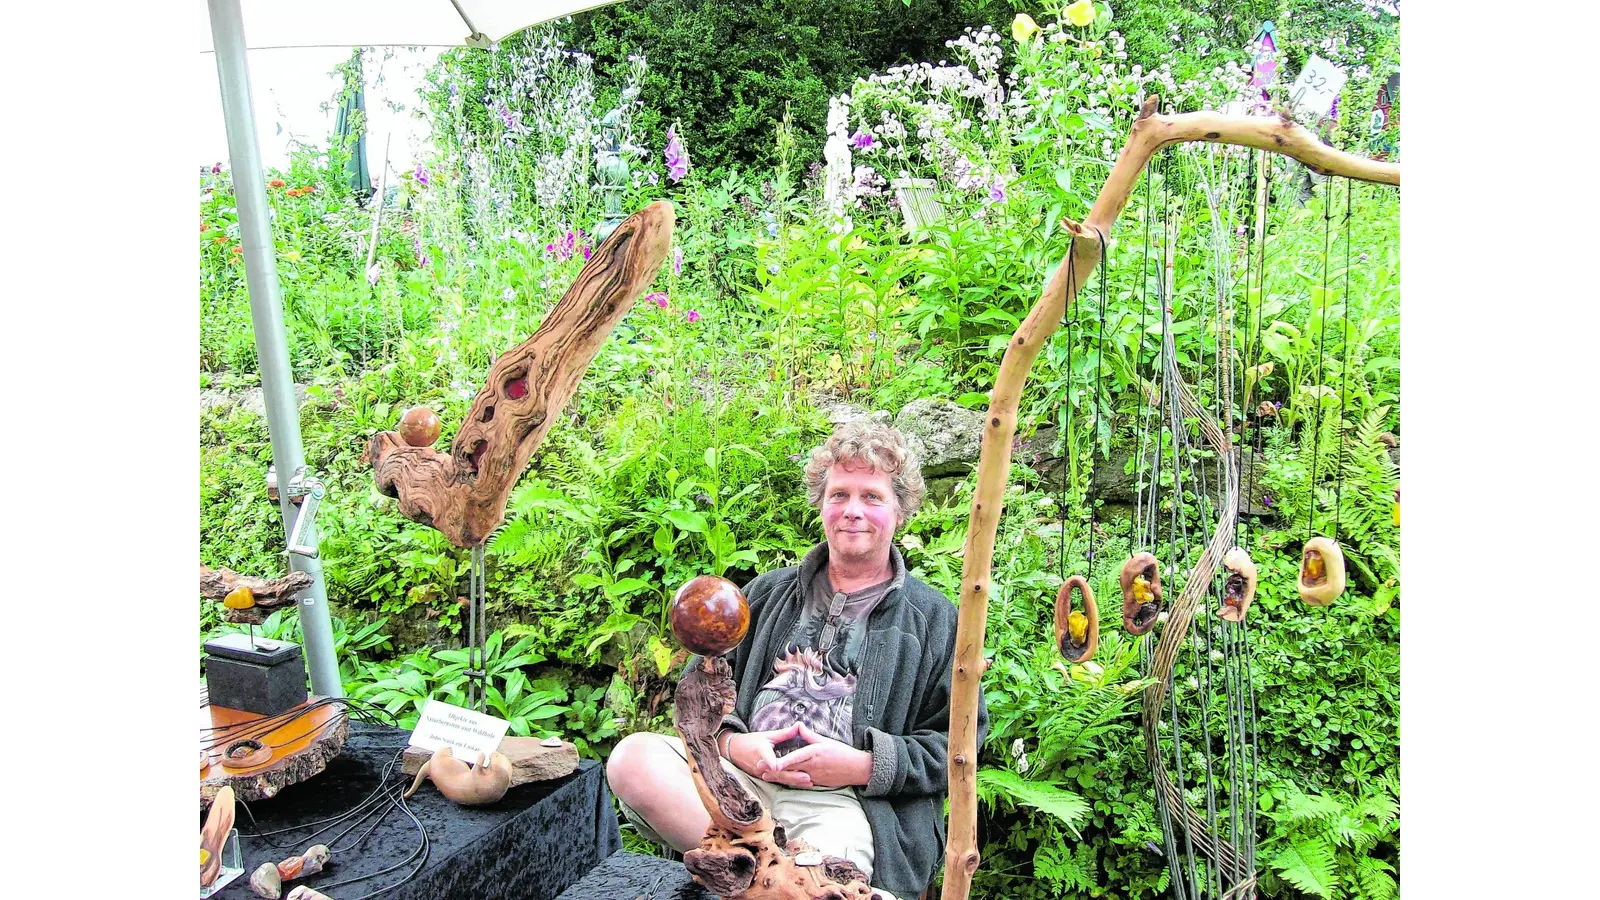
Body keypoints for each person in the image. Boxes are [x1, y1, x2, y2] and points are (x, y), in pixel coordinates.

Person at [607, 421, 989, 900]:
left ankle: (770, 875)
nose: (852, 511)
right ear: (821, 503)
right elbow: (699, 692)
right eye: (839, 495)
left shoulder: (935, 620)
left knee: (834, 862)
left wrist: (863, 766)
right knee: (633, 759)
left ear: (900, 510)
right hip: (740, 784)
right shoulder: (766, 593)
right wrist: (733, 746)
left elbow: (958, 746)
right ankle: (786, 880)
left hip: (842, 806)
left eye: (871, 497)